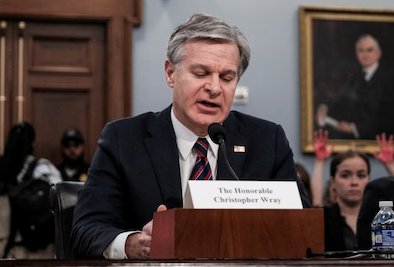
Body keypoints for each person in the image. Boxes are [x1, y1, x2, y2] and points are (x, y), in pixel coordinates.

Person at [71, 13, 310, 259]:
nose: (214, 88)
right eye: (201, 73)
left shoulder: (267, 141)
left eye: (226, 78)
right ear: (170, 74)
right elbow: (85, 231)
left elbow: (302, 230)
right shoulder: (123, 139)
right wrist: (135, 244)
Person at [316, 34, 394, 140]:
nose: (365, 54)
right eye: (361, 50)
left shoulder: (391, 79)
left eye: (369, 50)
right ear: (356, 54)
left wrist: (355, 128)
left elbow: (389, 118)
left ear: (378, 54)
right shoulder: (355, 78)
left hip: (377, 140)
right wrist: (324, 107)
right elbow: (341, 101)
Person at [0, 122, 62, 259]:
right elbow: (62, 201)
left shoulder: (3, 172)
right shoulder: (42, 168)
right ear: (33, 144)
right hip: (37, 250)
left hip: (6, 248)